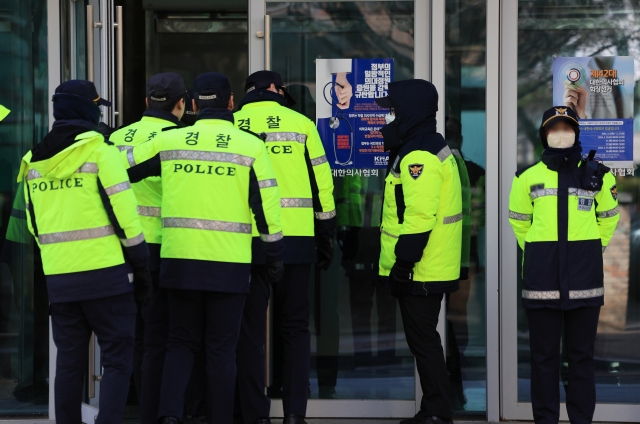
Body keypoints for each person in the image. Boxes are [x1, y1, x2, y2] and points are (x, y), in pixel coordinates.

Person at [123, 72, 284, 424]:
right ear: (231, 103)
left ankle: (168, 417)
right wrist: (273, 257)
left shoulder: (172, 140)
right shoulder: (250, 145)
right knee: (222, 351)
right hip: (229, 264)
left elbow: (123, 168)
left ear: (194, 105)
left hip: (179, 262)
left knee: (180, 344)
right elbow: (267, 208)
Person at [18, 80, 151, 424]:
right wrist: (141, 262)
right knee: (119, 359)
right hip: (106, 276)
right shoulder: (99, 151)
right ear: (85, 109)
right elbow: (125, 215)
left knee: (69, 363)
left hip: (61, 279)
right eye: (97, 105)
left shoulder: (32, 160)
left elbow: (34, 224)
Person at [234, 70, 336, 424]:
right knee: (294, 327)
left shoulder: (231, 123)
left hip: (245, 241)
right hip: (294, 239)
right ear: (277, 90)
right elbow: (322, 183)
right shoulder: (302, 123)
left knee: (248, 331)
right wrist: (326, 234)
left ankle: (254, 414)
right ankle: (294, 412)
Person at [508, 106, 620, 424]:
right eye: (554, 128)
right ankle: (546, 420)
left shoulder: (598, 174)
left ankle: (581, 420)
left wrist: (590, 249)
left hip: (585, 279)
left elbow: (609, 218)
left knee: (581, 358)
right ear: (545, 134)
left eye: (567, 127)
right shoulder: (526, 178)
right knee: (544, 359)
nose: (561, 133)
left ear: (576, 132)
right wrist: (538, 253)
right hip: (541, 280)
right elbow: (518, 223)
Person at [375, 79, 462, 424]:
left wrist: (403, 264)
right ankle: (435, 408)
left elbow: (420, 216)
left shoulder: (419, 155)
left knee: (423, 342)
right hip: (430, 265)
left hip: (421, 269)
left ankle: (438, 412)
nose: (389, 119)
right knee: (425, 340)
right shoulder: (430, 146)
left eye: (394, 111)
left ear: (410, 111)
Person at [109, 72, 186, 424]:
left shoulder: (117, 136)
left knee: (134, 337)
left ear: (145, 102)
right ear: (181, 103)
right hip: (158, 246)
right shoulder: (176, 138)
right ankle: (154, 415)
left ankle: (135, 408)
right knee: (159, 338)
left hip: (118, 247)